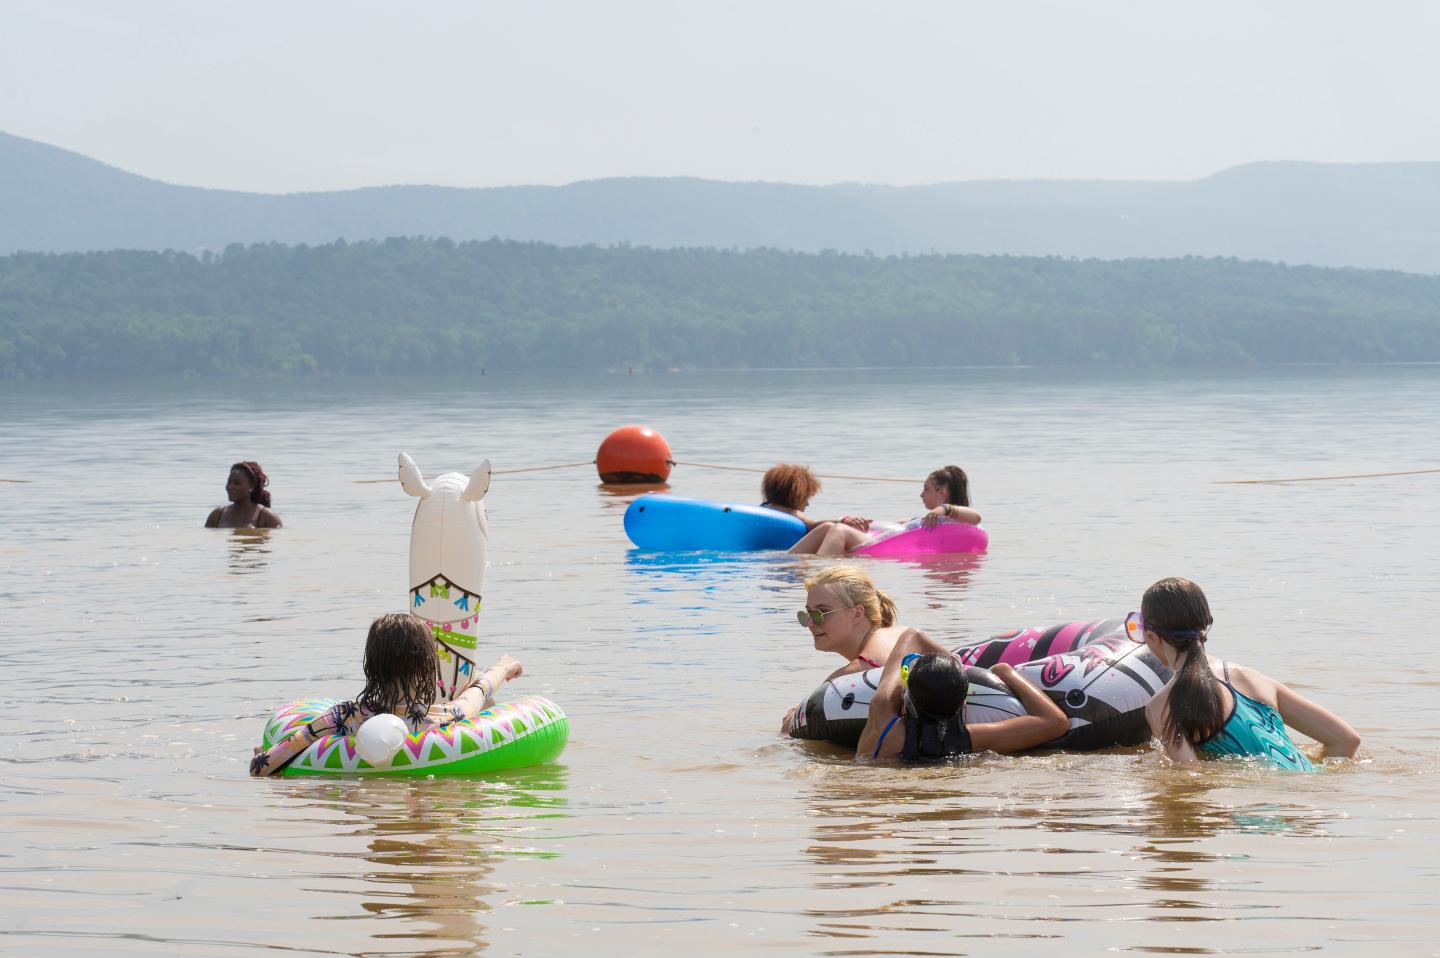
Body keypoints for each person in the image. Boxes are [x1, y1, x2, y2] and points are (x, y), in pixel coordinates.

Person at [250, 613, 523, 777]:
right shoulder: (447, 716)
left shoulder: (346, 716)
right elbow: (479, 690)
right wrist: (503, 667)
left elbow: (260, 768)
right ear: (427, 665)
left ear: (372, 666)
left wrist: (262, 754)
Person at [1134, 577, 1360, 770]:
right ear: (1206, 624)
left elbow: (1190, 778)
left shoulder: (1162, 705)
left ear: (1152, 637)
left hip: (1260, 815)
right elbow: (1347, 740)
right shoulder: (1252, 678)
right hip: (1305, 811)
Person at [855, 631, 1069, 762]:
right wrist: (1005, 672)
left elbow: (913, 636)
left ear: (906, 693)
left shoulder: (882, 718)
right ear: (964, 702)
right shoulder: (970, 739)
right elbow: (1055, 721)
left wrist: (952, 661)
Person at [788, 465, 978, 556]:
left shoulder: (953, 520)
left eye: (926, 489)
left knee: (838, 531)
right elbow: (891, 524)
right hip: (882, 536)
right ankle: (786, 562)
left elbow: (976, 517)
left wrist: (942, 510)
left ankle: (820, 572)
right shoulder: (925, 519)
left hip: (883, 544)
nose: (921, 495)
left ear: (942, 492)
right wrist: (854, 521)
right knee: (828, 527)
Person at [206, 461, 283, 529]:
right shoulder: (217, 515)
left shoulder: (265, 516)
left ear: (251, 486)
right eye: (229, 482)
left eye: (237, 483)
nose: (230, 487)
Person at [760, 463, 824, 528]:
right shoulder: (792, 513)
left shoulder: (764, 507)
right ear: (795, 497)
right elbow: (813, 525)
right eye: (805, 499)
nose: (807, 504)